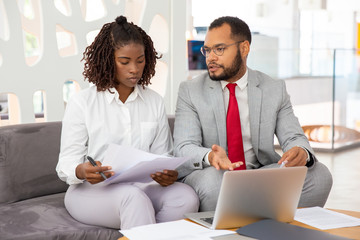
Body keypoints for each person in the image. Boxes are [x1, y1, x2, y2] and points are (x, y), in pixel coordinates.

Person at [173, 16, 332, 212]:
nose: (210, 57)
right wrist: (210, 156)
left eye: (219, 49)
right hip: (214, 173)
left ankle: (257, 219)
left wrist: (300, 151)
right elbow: (183, 147)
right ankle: (259, 216)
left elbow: (293, 136)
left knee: (320, 176)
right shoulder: (191, 90)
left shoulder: (273, 88)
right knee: (216, 185)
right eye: (207, 50)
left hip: (259, 172)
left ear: (244, 48)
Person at [56, 15, 199, 230]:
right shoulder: (82, 102)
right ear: (107, 60)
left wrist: (167, 174)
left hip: (140, 187)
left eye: (140, 60)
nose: (134, 69)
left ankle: (143, 233)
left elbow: (163, 156)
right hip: (90, 192)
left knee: (185, 197)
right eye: (124, 62)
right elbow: (65, 162)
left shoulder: (154, 101)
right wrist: (82, 171)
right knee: (133, 199)